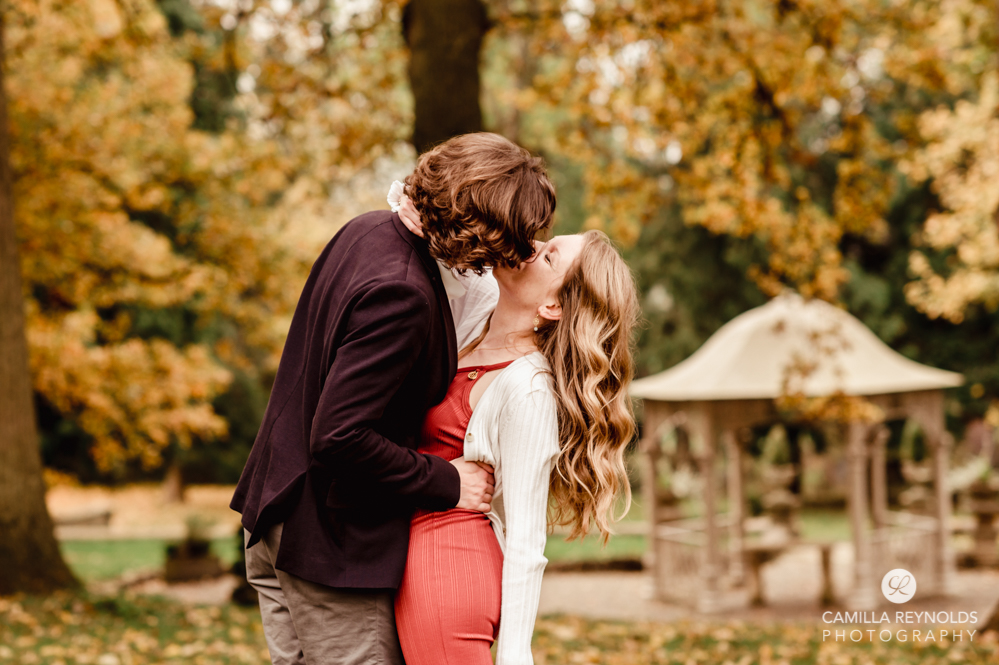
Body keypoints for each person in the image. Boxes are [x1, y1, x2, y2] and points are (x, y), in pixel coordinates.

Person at [230, 132, 556, 665]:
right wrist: (446, 481)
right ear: (481, 226)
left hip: (275, 513)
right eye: (511, 238)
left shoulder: (363, 231)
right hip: (329, 544)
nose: (513, 254)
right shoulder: (404, 292)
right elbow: (339, 435)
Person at [393, 195, 639, 665]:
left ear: (553, 306)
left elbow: (528, 545)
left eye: (550, 256)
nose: (532, 245)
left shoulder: (529, 391)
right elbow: (446, 238)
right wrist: (417, 213)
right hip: (411, 560)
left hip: (450, 573)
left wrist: (515, 656)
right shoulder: (473, 321)